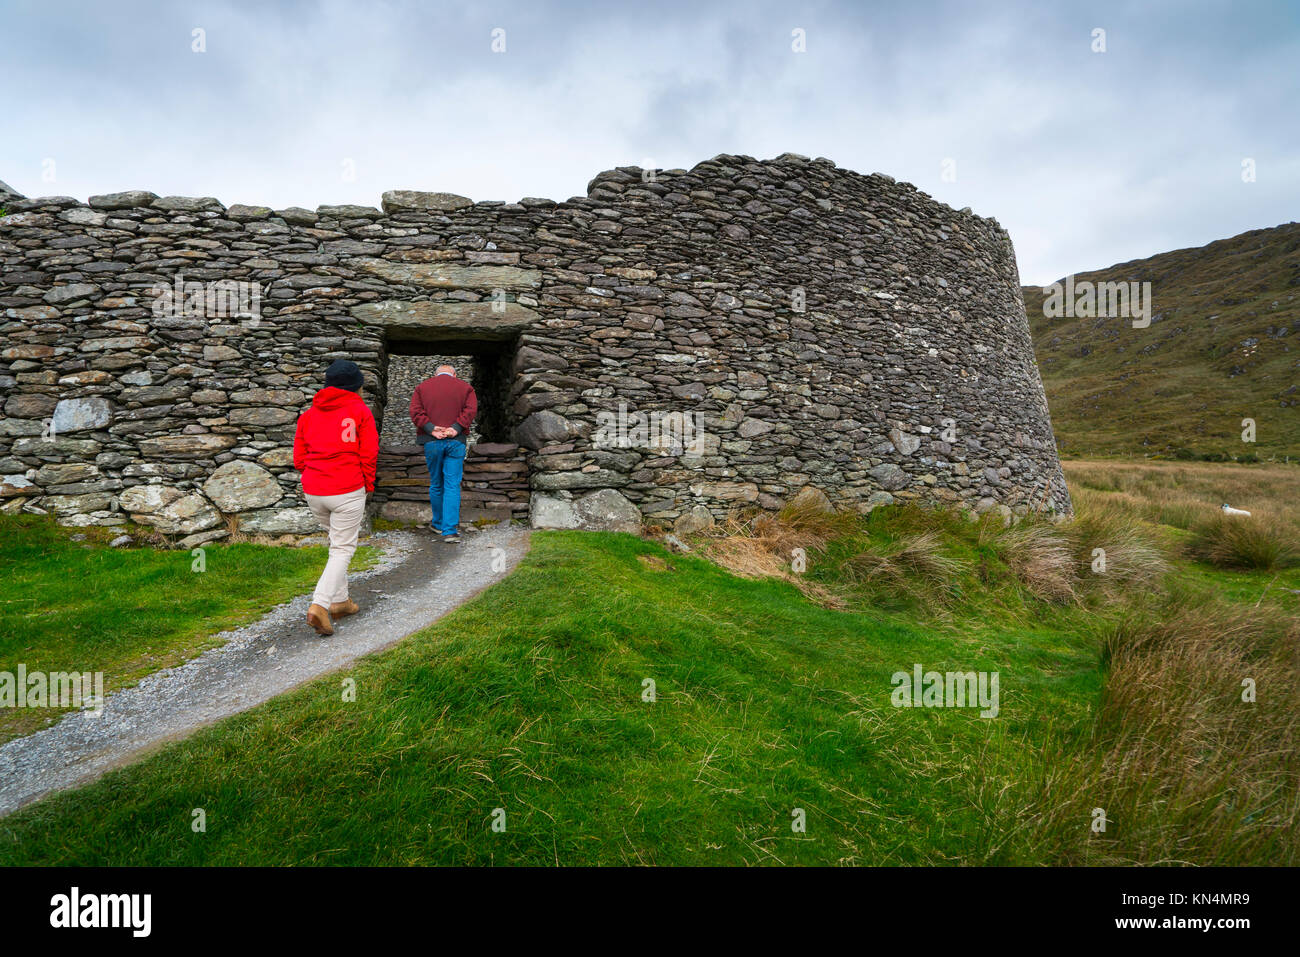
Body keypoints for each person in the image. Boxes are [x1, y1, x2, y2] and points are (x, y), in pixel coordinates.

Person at [292, 359, 378, 636]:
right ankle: (320, 605)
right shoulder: (360, 411)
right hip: (347, 487)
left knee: (336, 544)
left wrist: (314, 474)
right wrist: (367, 484)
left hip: (314, 489)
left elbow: (298, 459)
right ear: (356, 386)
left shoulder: (308, 415)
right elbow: (369, 453)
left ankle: (341, 603)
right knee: (343, 548)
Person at [409, 363, 478, 542]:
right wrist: (456, 428)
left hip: (432, 441)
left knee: (436, 483)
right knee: (452, 485)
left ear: (436, 375)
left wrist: (431, 428)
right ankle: (450, 531)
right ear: (454, 374)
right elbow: (470, 410)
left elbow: (415, 412)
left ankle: (438, 524)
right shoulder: (466, 388)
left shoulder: (422, 388)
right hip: (455, 441)